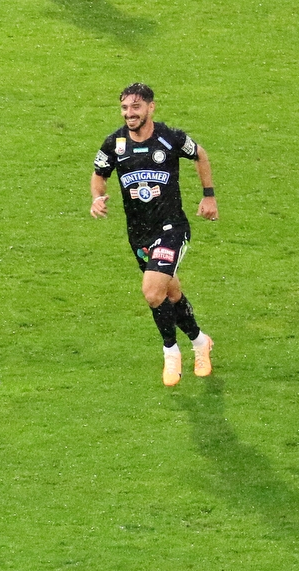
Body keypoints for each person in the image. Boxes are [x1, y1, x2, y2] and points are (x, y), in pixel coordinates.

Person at [90, 83, 219, 386]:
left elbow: (200, 154)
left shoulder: (170, 138)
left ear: (150, 107)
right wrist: (97, 197)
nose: (129, 113)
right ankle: (200, 342)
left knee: (152, 292)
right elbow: (99, 174)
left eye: (135, 107)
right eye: (124, 108)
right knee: (170, 293)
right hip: (139, 235)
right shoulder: (114, 144)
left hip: (172, 228)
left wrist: (208, 196)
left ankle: (170, 353)